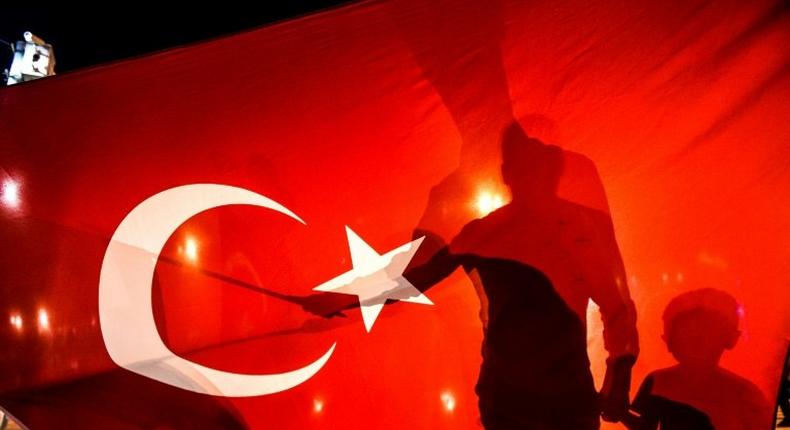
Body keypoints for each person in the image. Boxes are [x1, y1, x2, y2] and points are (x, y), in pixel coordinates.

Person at [305, 122, 639, 429]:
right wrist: (341, 298)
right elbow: (416, 278)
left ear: (556, 169)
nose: (536, 175)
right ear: (508, 173)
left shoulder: (580, 229)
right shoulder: (485, 233)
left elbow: (616, 305)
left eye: (543, 164)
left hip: (563, 398)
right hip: (509, 398)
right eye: (527, 166)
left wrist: (619, 373)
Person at [622, 288, 771, 430]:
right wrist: (618, 411)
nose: (696, 341)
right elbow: (645, 425)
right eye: (685, 333)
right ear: (668, 340)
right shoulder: (657, 381)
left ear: (731, 338)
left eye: (707, 331)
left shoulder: (743, 393)